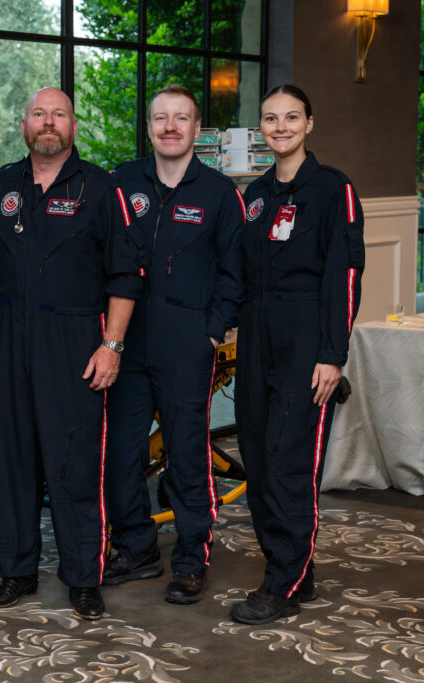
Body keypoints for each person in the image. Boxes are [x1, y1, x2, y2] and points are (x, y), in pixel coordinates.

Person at [0, 86, 143, 621]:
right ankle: (16, 572)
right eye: (38, 114)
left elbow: (125, 275)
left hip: (76, 340)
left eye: (59, 114)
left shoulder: (102, 188)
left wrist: (112, 344)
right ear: (23, 125)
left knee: (75, 465)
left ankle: (83, 576)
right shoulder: (1, 185)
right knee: (10, 461)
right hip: (7, 338)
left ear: (73, 126)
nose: (48, 123)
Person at [105, 85, 245, 602]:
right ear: (148, 126)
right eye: (160, 118)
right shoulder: (121, 183)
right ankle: (137, 549)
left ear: (196, 129)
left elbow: (235, 272)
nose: (169, 126)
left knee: (187, 455)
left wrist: (212, 330)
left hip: (187, 345)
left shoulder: (219, 193)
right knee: (121, 454)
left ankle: (191, 556)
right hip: (126, 343)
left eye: (180, 118)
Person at [232, 84, 364, 624]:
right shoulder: (255, 195)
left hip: (308, 339)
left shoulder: (334, 189)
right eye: (270, 118)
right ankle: (294, 567)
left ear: (310, 123)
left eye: (291, 117)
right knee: (260, 460)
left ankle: (282, 582)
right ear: (261, 128)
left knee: (291, 462)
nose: (280, 126)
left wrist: (333, 354)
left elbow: (346, 274)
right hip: (256, 338)